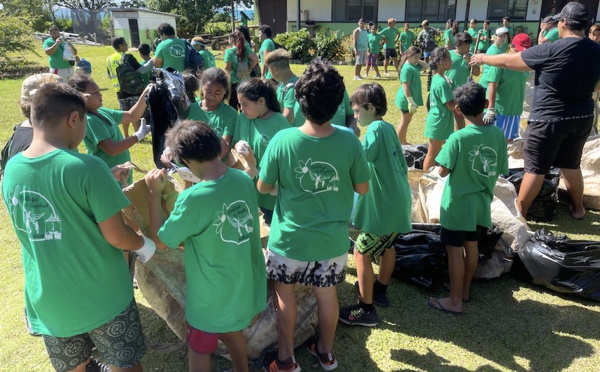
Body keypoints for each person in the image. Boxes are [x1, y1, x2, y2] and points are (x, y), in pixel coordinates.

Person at [2, 82, 156, 372]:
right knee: (125, 364)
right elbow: (117, 235)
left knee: (75, 367)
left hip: (49, 299)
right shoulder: (87, 167)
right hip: (101, 296)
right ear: (74, 119)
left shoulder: (12, 169)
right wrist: (145, 245)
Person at [257, 60, 370, 372]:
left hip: (289, 240)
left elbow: (264, 187)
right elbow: (362, 186)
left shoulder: (282, 140)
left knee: (285, 296)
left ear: (300, 99)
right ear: (337, 104)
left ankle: (286, 358)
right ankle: (326, 351)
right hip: (331, 241)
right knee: (327, 294)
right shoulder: (349, 139)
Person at [144, 121, 266, 372]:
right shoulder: (243, 179)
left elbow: (161, 240)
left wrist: (153, 194)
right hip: (242, 288)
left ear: (186, 161)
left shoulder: (193, 199)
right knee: (234, 333)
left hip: (209, 298)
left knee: (199, 348)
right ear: (217, 146)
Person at [469, 1, 600, 220]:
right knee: (571, 164)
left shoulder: (551, 49)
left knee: (535, 169)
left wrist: (483, 58)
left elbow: (511, 61)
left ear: (564, 23)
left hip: (549, 119)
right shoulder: (596, 50)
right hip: (582, 116)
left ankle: (519, 213)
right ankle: (579, 209)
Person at [428, 82, 508, 315]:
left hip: (457, 204)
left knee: (454, 250)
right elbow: (501, 168)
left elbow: (441, 170)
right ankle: (463, 290)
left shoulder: (458, 138)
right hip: (481, 204)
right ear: (485, 104)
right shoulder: (497, 134)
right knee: (471, 246)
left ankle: (454, 300)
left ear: (458, 110)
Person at [339, 83, 411, 327]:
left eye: (357, 111)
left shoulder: (373, 131)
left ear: (370, 107)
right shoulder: (389, 127)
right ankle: (380, 290)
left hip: (385, 209)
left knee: (361, 251)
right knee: (387, 247)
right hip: (398, 202)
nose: (356, 117)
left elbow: (359, 159)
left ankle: (365, 309)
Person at [68, 74, 151, 185]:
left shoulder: (101, 111)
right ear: (82, 96)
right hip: (110, 177)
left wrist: (146, 93)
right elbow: (112, 149)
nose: (100, 95)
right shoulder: (91, 120)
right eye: (95, 93)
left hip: (121, 175)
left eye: (98, 91)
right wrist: (138, 136)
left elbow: (131, 116)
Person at [233, 78, 290, 226]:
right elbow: (235, 142)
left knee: (269, 229)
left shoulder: (279, 122)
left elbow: (288, 157)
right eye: (240, 104)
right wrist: (237, 144)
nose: (242, 109)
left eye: (245, 105)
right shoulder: (243, 119)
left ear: (261, 101)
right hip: (247, 188)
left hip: (271, 191)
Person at [483, 33, 531, 141]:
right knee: (491, 142)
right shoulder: (500, 63)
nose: (521, 53)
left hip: (515, 110)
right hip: (498, 110)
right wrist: (490, 109)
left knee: (508, 142)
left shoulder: (525, 63)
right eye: (518, 49)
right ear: (511, 46)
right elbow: (492, 85)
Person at [106, 37, 154, 137]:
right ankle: (137, 134)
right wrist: (153, 60)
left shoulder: (109, 59)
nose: (127, 45)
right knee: (134, 113)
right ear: (120, 46)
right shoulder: (128, 57)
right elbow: (142, 70)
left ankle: (126, 135)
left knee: (124, 113)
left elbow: (109, 76)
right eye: (125, 43)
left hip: (119, 91)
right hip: (132, 89)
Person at [423, 47, 456, 171]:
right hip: (438, 122)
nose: (451, 61)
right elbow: (451, 105)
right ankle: (425, 178)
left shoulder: (440, 79)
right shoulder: (441, 82)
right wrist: (463, 95)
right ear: (440, 62)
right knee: (432, 154)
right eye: (448, 59)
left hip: (439, 121)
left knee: (435, 153)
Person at [196, 68, 238, 163]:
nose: (212, 96)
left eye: (217, 93)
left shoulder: (230, 114)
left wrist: (211, 164)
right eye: (208, 91)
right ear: (202, 88)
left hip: (218, 167)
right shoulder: (191, 109)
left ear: (225, 91)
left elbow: (226, 143)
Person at [395, 46, 428, 145]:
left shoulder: (413, 65)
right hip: (406, 99)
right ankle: (400, 142)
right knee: (405, 121)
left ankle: (402, 141)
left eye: (419, 56)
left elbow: (426, 66)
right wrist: (410, 101)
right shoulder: (407, 68)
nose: (417, 59)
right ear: (409, 55)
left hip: (409, 99)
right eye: (416, 57)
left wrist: (417, 60)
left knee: (406, 121)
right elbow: (405, 86)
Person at [265, 48, 303, 127]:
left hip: (290, 132)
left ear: (275, 70)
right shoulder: (283, 84)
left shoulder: (291, 89)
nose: (270, 75)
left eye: (269, 71)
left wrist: (267, 122)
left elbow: (288, 118)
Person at [224, 30, 259, 110]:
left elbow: (227, 68)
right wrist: (249, 68)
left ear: (231, 40)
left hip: (234, 83)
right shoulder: (246, 49)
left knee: (233, 106)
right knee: (245, 105)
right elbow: (255, 59)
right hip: (246, 82)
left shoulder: (229, 51)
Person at [477, 27, 510, 91]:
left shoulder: (500, 48)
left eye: (504, 36)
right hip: (487, 84)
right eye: (500, 36)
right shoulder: (493, 50)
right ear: (495, 37)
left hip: (492, 82)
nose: (503, 38)